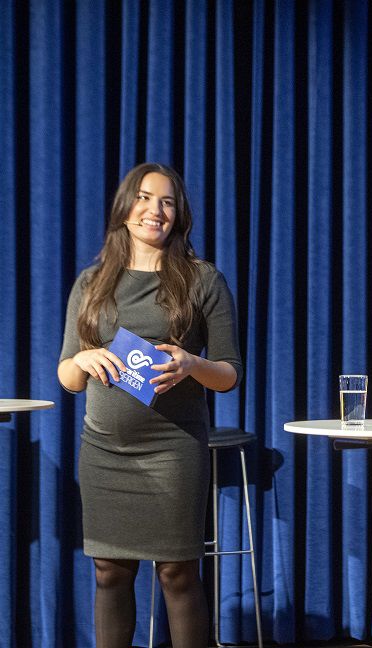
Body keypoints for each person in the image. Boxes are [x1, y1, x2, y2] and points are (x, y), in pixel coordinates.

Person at [58, 163, 242, 647]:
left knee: (177, 574)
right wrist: (82, 357)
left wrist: (191, 364)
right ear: (124, 207)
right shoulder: (92, 282)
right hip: (103, 452)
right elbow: (67, 377)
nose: (154, 210)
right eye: (143, 197)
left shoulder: (203, 279)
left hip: (172, 452)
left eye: (167, 202)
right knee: (109, 572)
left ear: (179, 215)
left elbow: (229, 374)